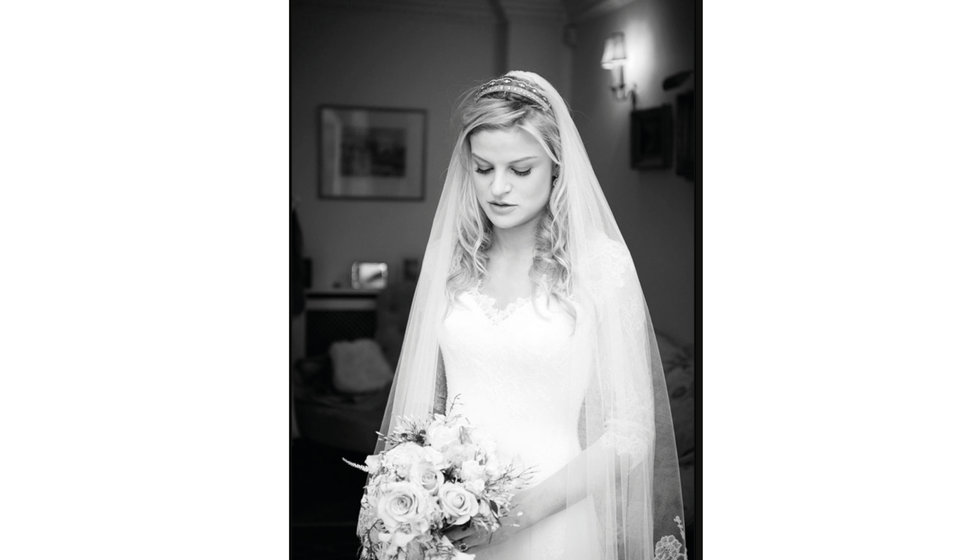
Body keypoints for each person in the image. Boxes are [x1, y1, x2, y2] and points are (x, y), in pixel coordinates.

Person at [363, 71, 686, 560]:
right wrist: (414, 489)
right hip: (449, 522)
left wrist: (516, 516)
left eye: (520, 169)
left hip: (554, 522)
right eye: (483, 168)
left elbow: (631, 432)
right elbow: (424, 405)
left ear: (556, 168)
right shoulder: (451, 263)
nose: (498, 188)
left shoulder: (599, 267)